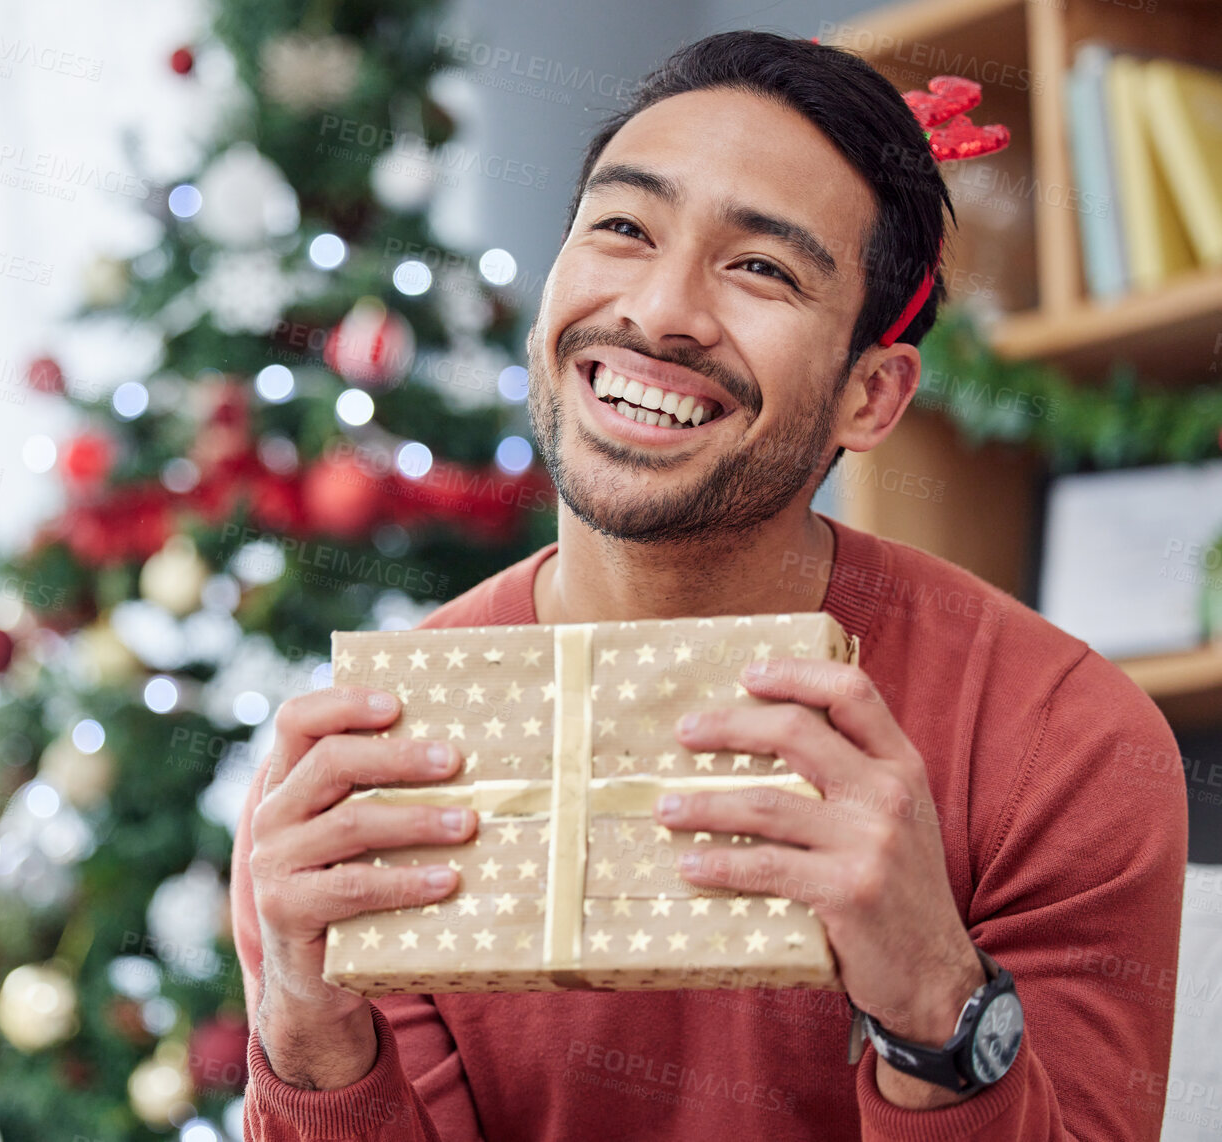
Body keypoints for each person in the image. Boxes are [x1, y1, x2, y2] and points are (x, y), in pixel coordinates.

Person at [229, 30, 1186, 1141]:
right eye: (622, 228)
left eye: (761, 268)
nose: (660, 311)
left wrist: (934, 999)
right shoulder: (358, 779)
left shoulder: (1058, 740)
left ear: (868, 396)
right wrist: (306, 1035)